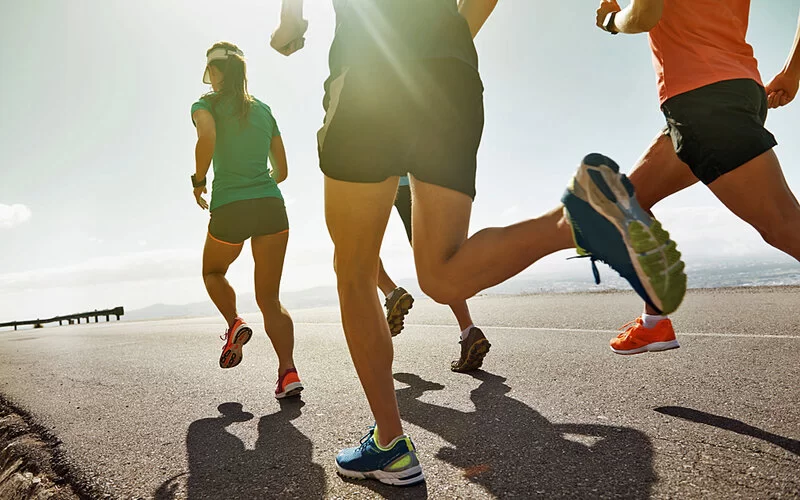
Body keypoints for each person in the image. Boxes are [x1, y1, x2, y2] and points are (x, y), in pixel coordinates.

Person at [270, 0, 686, 486]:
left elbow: (292, 25)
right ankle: (579, 219)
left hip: (369, 71)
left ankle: (390, 444)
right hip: (452, 73)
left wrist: (290, 23)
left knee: (355, 271)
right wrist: (441, 38)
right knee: (443, 274)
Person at [594, 0, 800, 355]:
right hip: (731, 90)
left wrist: (611, 21)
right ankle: (654, 323)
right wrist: (792, 72)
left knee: (784, 227)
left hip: (703, 98)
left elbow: (644, 16)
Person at [191, 41, 303, 399]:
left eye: (209, 72)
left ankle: (234, 322)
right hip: (270, 204)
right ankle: (288, 373)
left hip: (230, 206)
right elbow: (282, 170)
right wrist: (261, 179)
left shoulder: (204, 105)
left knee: (213, 271)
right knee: (270, 297)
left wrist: (198, 180)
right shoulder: (265, 110)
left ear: (216, 72)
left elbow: (206, 137)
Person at [378, 175, 491, 373]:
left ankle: (390, 292)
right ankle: (468, 330)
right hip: (411, 177)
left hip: (371, 176)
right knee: (435, 255)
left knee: (355, 249)